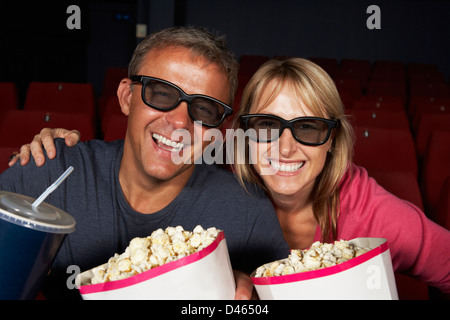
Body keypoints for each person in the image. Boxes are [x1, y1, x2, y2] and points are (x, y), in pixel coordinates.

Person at [15, 57, 450, 294]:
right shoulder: (211, 173)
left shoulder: (374, 213)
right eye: (265, 127)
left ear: (333, 140)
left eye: (309, 128)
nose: (284, 148)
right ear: (238, 134)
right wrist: (58, 146)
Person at [0, 26, 290, 300]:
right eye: (162, 94)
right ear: (127, 97)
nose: (179, 122)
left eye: (204, 109)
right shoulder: (49, 171)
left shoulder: (248, 212)